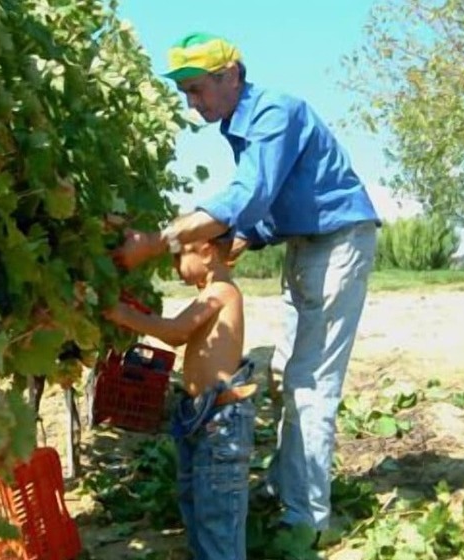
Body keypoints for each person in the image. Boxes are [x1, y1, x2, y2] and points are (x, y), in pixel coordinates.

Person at [113, 32, 380, 534]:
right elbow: (264, 207)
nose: (192, 104)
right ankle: (286, 488)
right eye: (186, 94)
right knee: (285, 374)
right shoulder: (242, 126)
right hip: (306, 244)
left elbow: (249, 193)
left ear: (230, 74)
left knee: (311, 384)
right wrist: (241, 239)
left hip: (338, 242)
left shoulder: (274, 114)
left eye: (197, 90)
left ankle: (307, 521)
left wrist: (158, 241)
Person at [105, 235, 256, 560]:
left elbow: (175, 331)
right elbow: (177, 334)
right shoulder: (209, 293)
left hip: (222, 424)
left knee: (217, 517)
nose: (174, 266)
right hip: (200, 417)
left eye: (178, 257)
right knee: (197, 506)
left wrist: (123, 314)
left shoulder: (222, 291)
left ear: (207, 250)